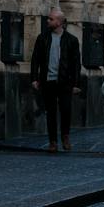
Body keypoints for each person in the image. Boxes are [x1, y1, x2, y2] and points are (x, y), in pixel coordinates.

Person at [29, 8, 83, 152]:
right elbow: (35, 59)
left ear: (59, 22)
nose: (48, 21)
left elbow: (76, 63)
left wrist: (76, 84)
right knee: (51, 112)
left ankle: (65, 136)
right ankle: (52, 141)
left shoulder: (71, 40)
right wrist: (34, 78)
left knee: (66, 110)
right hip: (48, 80)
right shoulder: (43, 38)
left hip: (65, 81)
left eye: (51, 19)